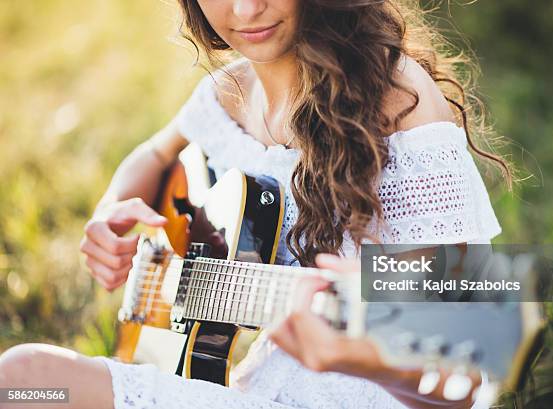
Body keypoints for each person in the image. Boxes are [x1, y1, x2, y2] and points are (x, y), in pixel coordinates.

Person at [0, 0, 509, 408]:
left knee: (23, 380)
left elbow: (463, 373)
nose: (245, 10)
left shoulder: (397, 101)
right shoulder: (229, 93)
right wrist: (111, 212)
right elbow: (154, 154)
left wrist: (362, 355)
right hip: (260, 383)